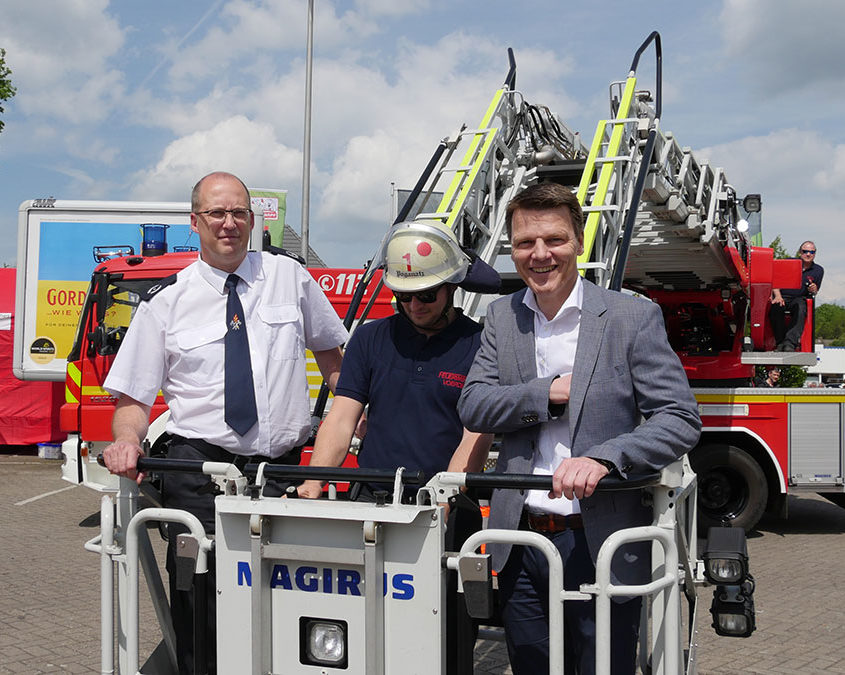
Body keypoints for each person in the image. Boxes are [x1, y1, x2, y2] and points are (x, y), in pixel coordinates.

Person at [102, 171, 348, 674]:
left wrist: (356, 419)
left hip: (281, 475)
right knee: (200, 608)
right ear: (196, 222)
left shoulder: (290, 277)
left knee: (292, 598)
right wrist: (126, 442)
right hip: (199, 475)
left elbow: (333, 358)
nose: (229, 223)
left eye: (239, 212)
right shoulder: (164, 302)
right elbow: (132, 396)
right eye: (217, 213)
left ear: (252, 220)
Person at [457, 182, 701, 675]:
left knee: (602, 667)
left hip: (601, 539)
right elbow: (474, 406)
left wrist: (605, 458)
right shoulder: (501, 318)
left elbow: (679, 418)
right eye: (525, 242)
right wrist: (545, 395)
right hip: (522, 539)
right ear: (511, 246)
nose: (540, 254)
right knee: (531, 665)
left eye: (555, 240)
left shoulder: (631, 317)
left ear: (579, 241)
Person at [297, 220, 499, 503]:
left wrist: (446, 501)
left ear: (451, 285)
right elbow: (342, 417)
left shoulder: (481, 345)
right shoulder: (370, 338)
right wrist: (313, 482)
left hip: (444, 500)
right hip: (373, 498)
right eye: (405, 295)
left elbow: (476, 435)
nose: (415, 306)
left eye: (427, 295)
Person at [770, 241, 823, 351]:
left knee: (801, 307)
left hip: (799, 298)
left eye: (811, 252)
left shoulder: (818, 270)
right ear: (800, 252)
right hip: (782, 295)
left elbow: (815, 291)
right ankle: (780, 343)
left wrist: (814, 289)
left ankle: (790, 343)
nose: (808, 254)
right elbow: (774, 279)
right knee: (776, 307)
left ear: (815, 254)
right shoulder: (788, 262)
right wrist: (778, 296)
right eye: (805, 251)